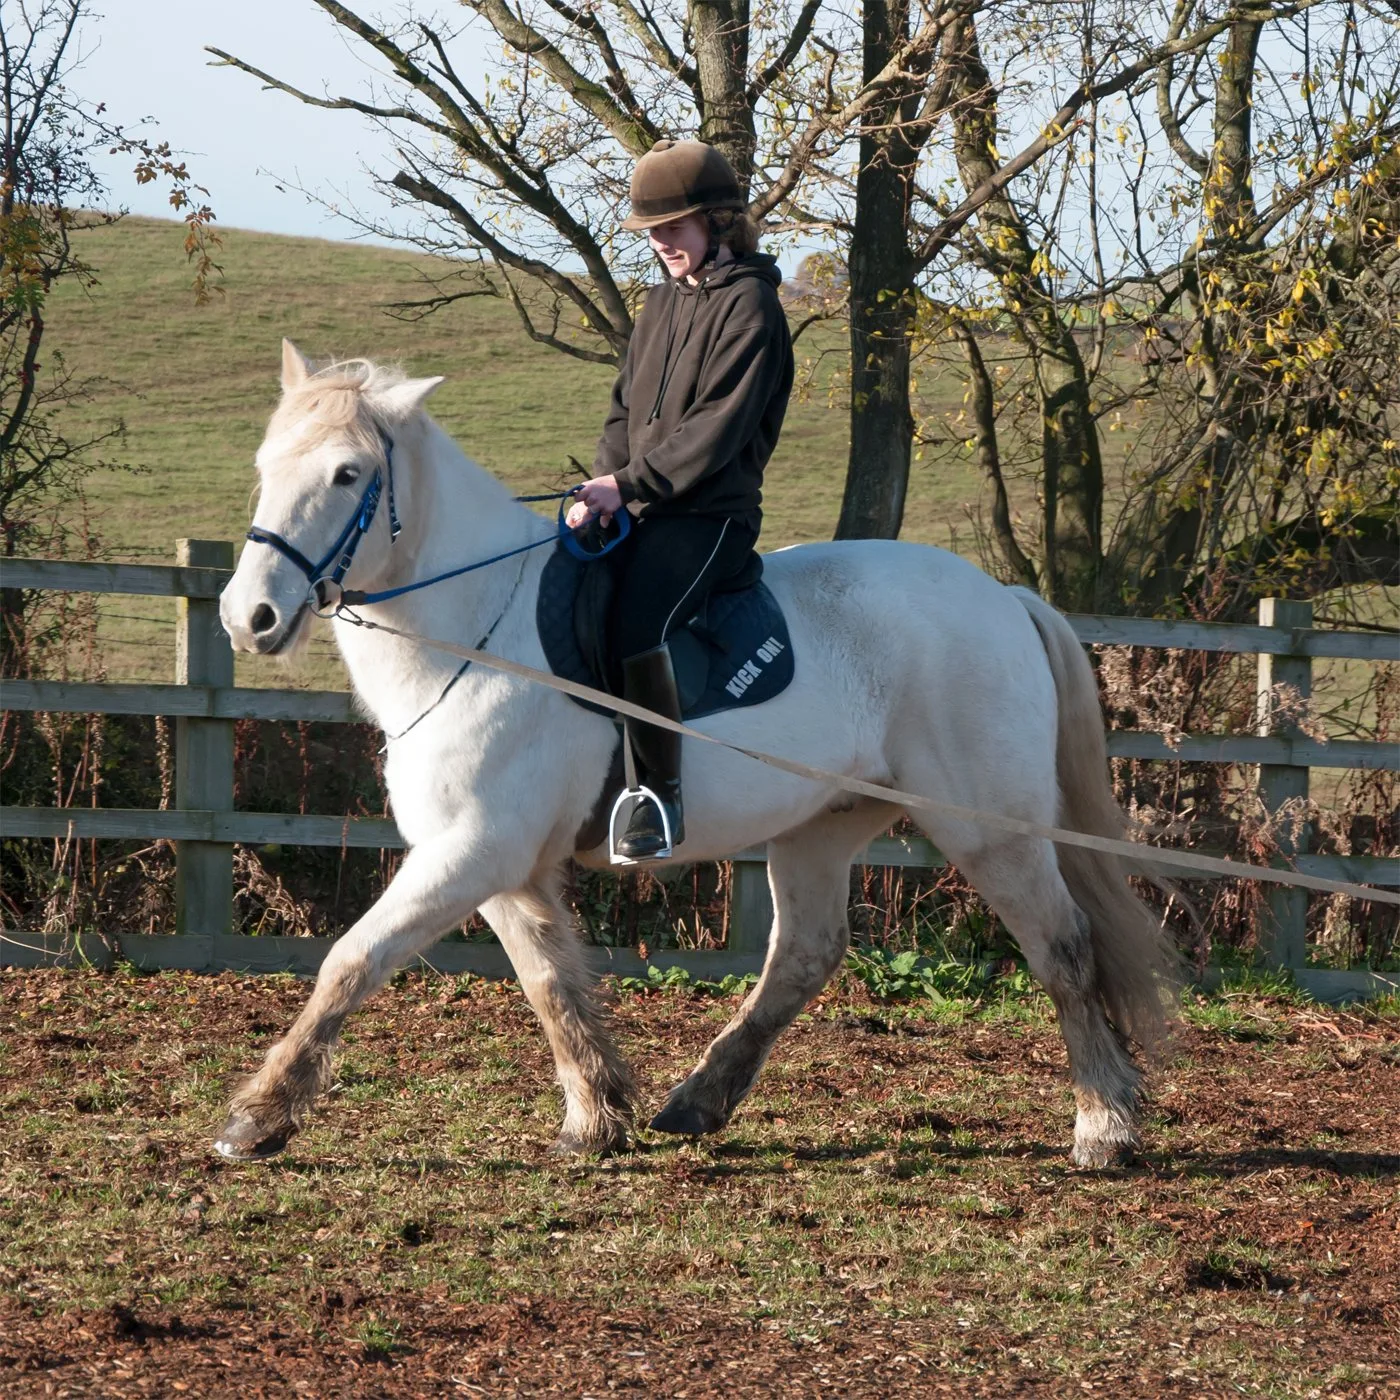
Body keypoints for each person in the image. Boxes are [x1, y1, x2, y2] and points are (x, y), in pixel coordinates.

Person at [568, 139, 794, 860]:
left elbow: (714, 432)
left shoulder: (752, 308)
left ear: (718, 222)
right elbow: (620, 413)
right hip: (639, 505)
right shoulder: (659, 305)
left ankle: (658, 800)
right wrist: (601, 492)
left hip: (709, 516)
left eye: (674, 228)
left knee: (639, 620)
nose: (662, 243)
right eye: (653, 232)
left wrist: (630, 485)